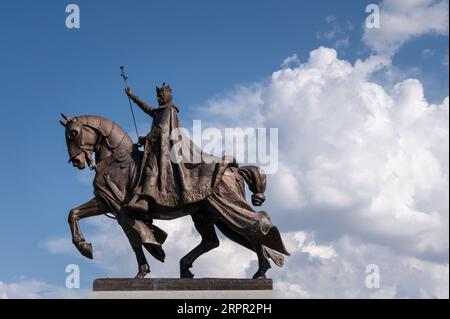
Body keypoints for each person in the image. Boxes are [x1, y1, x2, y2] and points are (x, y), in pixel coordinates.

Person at [124, 83, 232, 212]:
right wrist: (133, 97)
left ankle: (146, 200)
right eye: (157, 96)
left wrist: (146, 138)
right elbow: (149, 109)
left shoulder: (169, 110)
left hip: (167, 148)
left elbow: (160, 128)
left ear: (168, 95)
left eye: (161, 96)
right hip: (163, 146)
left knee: (151, 165)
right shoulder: (162, 111)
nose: (158, 98)